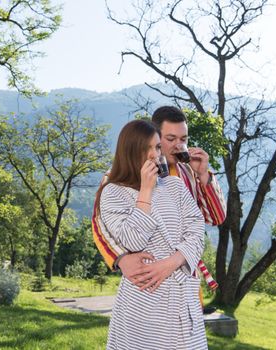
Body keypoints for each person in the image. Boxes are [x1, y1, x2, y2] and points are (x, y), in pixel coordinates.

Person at [92, 106, 226, 309]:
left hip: (184, 275)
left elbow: (215, 218)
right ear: (153, 136)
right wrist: (120, 258)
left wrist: (203, 176)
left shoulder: (189, 172)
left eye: (183, 139)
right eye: (170, 139)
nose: (178, 146)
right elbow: (99, 223)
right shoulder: (119, 177)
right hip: (148, 280)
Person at [97, 119, 207, 349]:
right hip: (145, 300)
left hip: (183, 298)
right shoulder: (113, 193)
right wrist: (145, 191)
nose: (154, 155)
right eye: (147, 148)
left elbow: (197, 231)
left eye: (157, 147)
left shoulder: (174, 187)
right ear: (130, 151)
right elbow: (133, 240)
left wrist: (171, 263)